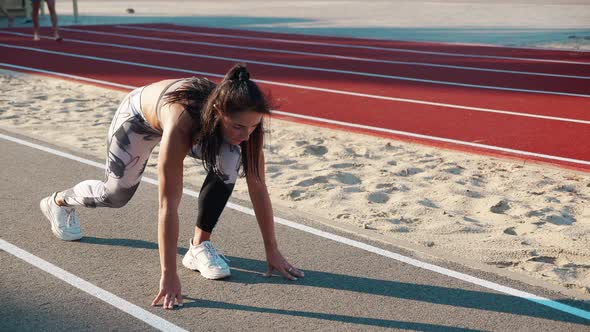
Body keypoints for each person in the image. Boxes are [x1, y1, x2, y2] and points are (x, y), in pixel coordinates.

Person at [39, 63, 304, 309]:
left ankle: (199, 246)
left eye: (253, 127)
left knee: (231, 157)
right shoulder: (182, 122)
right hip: (138, 118)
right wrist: (169, 275)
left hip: (199, 124)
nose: (246, 135)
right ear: (218, 113)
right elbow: (168, 204)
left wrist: (272, 250)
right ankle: (58, 202)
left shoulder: (246, 122)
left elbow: (258, 187)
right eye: (238, 127)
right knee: (116, 194)